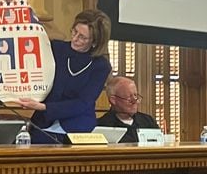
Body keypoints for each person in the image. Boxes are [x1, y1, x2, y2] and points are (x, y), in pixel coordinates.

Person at [14, 9, 112, 144]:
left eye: (83, 37)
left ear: (95, 42)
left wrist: (43, 107)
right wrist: (11, 3)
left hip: (77, 128)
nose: (75, 38)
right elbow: (24, 37)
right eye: (74, 31)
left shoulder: (101, 66)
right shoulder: (56, 49)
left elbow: (83, 103)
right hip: (43, 124)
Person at [97, 76, 160, 143]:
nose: (135, 101)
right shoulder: (102, 126)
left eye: (135, 95)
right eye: (129, 97)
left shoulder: (148, 122)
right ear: (113, 100)